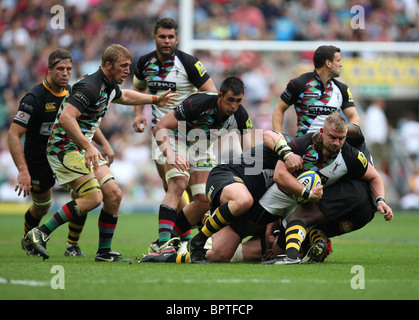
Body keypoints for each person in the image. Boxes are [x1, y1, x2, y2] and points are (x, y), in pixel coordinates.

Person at [25, 44, 177, 261]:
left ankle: (104, 252)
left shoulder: (108, 85)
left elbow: (123, 96)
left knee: (113, 194)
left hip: (80, 148)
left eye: (128, 66)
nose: (127, 70)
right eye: (123, 66)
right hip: (64, 149)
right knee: (94, 197)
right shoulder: (89, 86)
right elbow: (66, 118)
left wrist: (155, 99)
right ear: (108, 65)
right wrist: (89, 147)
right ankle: (40, 233)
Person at [143, 76, 255, 261]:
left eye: (238, 101)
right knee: (179, 183)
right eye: (230, 100)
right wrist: (171, 155)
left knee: (204, 200)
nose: (233, 105)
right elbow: (160, 127)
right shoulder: (199, 102)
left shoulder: (241, 115)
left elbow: (250, 154)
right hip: (175, 140)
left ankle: (168, 240)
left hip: (201, 148)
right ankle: (164, 245)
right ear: (219, 96)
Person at [260, 113, 393, 265]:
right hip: (363, 215)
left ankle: (291, 257)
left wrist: (381, 200)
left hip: (356, 194)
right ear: (322, 132)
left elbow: (374, 175)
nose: (336, 142)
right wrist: (380, 201)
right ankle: (318, 242)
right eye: (332, 137)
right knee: (314, 228)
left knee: (298, 218)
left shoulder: (350, 151)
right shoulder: (308, 144)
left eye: (341, 138)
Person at [132, 18, 217, 250]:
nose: (167, 41)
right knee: (173, 185)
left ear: (177, 38)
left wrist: (190, 114)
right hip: (163, 134)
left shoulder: (189, 63)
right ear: (155, 37)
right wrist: (139, 113)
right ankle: (182, 238)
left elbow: (211, 94)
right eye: (162, 36)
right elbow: (138, 89)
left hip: (192, 136)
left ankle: (180, 239)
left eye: (171, 37)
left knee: (190, 190)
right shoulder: (143, 63)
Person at [7, 48, 98, 257]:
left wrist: (104, 144)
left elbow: (83, 123)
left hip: (64, 153)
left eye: (68, 69)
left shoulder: (74, 94)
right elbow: (13, 134)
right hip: (38, 158)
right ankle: (30, 241)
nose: (65, 73)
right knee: (42, 206)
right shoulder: (34, 97)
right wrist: (23, 170)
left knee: (84, 194)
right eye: (60, 69)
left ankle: (72, 246)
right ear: (49, 69)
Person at [272, 45, 360, 135]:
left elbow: (353, 116)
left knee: (361, 146)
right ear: (328, 63)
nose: (341, 65)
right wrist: (279, 136)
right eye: (338, 61)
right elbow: (279, 109)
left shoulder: (342, 88)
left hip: (332, 144)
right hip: (305, 144)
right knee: (265, 140)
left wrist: (347, 137)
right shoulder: (299, 84)